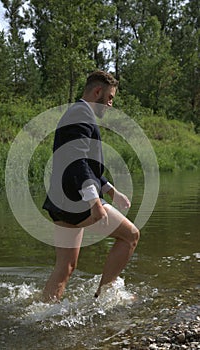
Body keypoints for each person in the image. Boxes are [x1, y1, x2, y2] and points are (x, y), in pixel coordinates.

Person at [43, 71, 140, 301]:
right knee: (130, 236)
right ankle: (104, 296)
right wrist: (94, 200)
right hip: (77, 201)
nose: (110, 104)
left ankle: (43, 313)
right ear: (97, 91)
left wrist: (110, 190)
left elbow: (83, 162)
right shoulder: (81, 114)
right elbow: (78, 162)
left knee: (65, 266)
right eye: (110, 98)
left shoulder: (75, 113)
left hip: (62, 200)